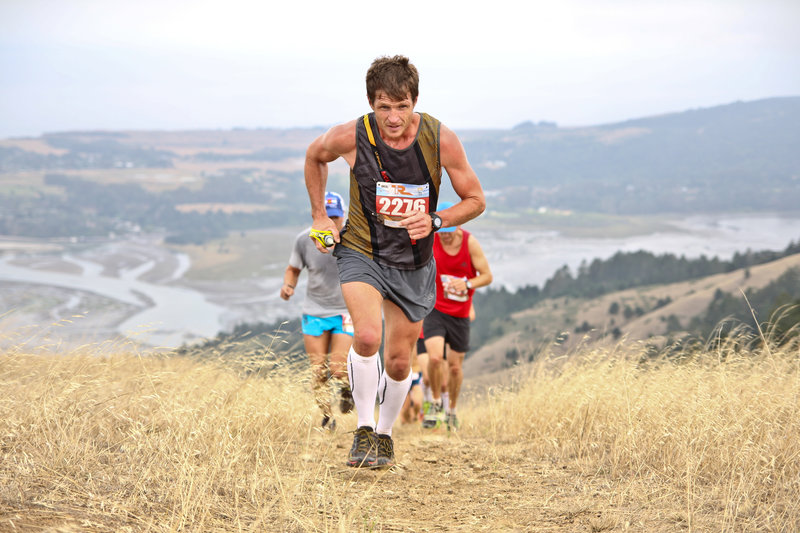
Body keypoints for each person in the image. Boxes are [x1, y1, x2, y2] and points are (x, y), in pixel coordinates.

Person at [303, 55, 486, 468]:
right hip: (361, 251)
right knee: (366, 337)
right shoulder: (352, 135)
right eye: (384, 106)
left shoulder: (441, 139)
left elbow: (476, 200)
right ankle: (363, 430)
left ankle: (384, 435)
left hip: (414, 262)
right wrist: (319, 216)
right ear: (372, 104)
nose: (393, 117)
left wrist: (436, 219)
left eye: (402, 106)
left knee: (400, 360)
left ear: (415, 101)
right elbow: (315, 157)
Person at [280, 191, 354, 431]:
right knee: (318, 370)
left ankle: (346, 389)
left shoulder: (354, 237)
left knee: (337, 367)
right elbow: (293, 268)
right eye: (327, 218)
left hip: (345, 310)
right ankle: (327, 417)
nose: (332, 224)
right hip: (314, 311)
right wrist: (288, 286)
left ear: (344, 217)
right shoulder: (305, 240)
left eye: (336, 218)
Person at [422, 201, 493, 431]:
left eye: (449, 233)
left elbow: (487, 276)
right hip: (435, 309)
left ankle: (451, 409)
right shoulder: (432, 240)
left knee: (454, 367)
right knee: (434, 359)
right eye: (441, 233)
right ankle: (434, 402)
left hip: (460, 314)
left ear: (458, 226)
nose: (444, 237)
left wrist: (467, 283)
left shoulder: (470, 243)